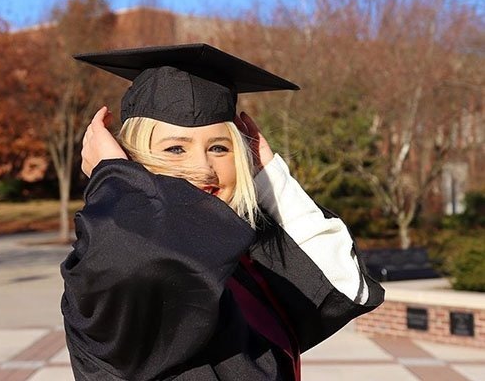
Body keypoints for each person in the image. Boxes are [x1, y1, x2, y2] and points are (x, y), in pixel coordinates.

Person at [61, 44, 384, 380]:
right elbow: (136, 254)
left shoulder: (239, 264)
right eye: (175, 148)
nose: (203, 167)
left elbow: (342, 285)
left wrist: (268, 175)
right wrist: (114, 176)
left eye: (219, 148)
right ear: (134, 159)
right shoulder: (103, 275)